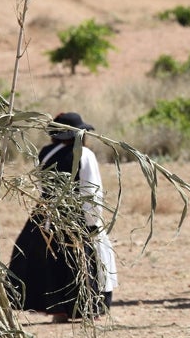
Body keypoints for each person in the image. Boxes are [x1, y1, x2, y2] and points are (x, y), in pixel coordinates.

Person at [8, 112, 118, 322]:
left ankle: (58, 311)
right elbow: (91, 191)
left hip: (46, 214)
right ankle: (86, 309)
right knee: (82, 261)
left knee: (52, 260)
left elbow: (41, 185)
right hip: (74, 215)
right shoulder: (84, 154)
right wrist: (92, 222)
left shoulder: (45, 152)